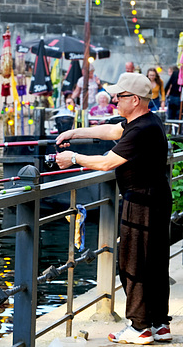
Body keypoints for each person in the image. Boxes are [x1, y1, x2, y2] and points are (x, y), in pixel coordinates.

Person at [55, 72, 172, 345]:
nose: (114, 100)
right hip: (153, 198)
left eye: (119, 96)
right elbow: (110, 130)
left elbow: (106, 163)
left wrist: (72, 157)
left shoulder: (142, 130)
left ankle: (140, 327)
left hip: (142, 202)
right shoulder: (145, 122)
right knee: (153, 262)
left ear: (134, 100)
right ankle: (158, 324)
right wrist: (74, 132)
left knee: (135, 263)